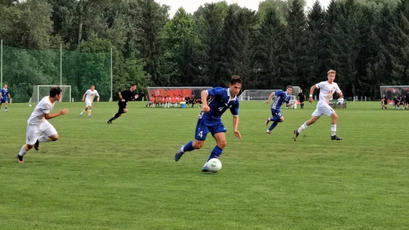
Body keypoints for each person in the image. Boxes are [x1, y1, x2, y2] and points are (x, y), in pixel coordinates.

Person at [174, 75, 242, 172]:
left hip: (216, 121)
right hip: (205, 118)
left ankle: (208, 165)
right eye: (235, 87)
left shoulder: (235, 102)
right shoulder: (221, 91)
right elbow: (204, 92)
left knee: (222, 143)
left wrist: (235, 129)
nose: (237, 90)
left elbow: (236, 116)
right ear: (230, 86)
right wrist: (205, 105)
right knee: (198, 145)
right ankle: (182, 149)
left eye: (239, 88)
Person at [17, 87, 69, 163]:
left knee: (55, 137)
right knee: (30, 145)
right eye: (60, 94)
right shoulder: (46, 102)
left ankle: (38, 140)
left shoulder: (52, 99)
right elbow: (47, 116)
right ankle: (20, 155)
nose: (61, 95)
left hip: (42, 121)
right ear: (56, 95)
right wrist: (60, 113)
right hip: (34, 124)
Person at [293, 69, 344, 141]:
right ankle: (333, 135)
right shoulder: (323, 83)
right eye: (330, 76)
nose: (331, 77)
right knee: (335, 116)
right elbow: (313, 87)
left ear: (335, 77)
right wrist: (310, 96)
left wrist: (341, 98)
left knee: (312, 121)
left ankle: (297, 131)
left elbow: (340, 93)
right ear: (327, 76)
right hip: (322, 104)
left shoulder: (335, 85)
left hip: (324, 105)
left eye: (333, 76)